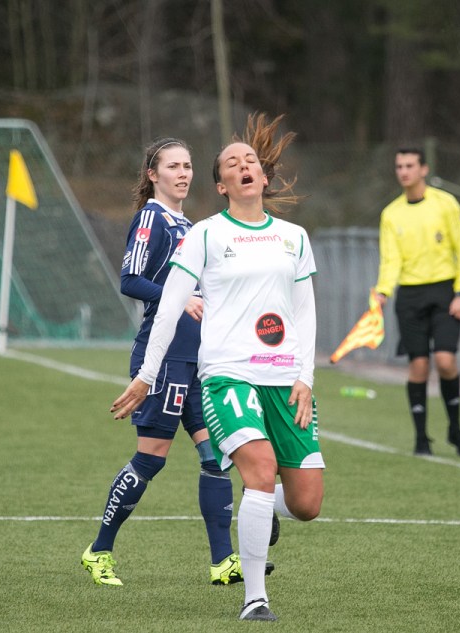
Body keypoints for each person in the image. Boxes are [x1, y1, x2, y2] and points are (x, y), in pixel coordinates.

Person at [111, 113, 324, 622]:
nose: (243, 165)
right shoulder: (204, 235)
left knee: (307, 504)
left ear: (263, 178)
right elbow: (169, 308)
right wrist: (146, 375)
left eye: (250, 160)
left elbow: (306, 312)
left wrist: (306, 377)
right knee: (260, 469)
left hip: (284, 378)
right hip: (228, 374)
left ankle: (259, 506)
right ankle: (255, 599)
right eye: (231, 163)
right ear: (222, 185)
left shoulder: (294, 237)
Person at [81, 137, 273, 588]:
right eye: (173, 166)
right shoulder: (152, 217)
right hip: (165, 357)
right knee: (151, 459)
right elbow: (130, 280)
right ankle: (99, 551)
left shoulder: (191, 224)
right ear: (153, 175)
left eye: (187, 166)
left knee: (215, 457)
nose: (183, 173)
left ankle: (223, 561)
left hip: (199, 360)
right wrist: (180, 297)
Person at [373, 147, 460, 457]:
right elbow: (390, 259)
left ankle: (455, 428)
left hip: (444, 292)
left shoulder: (445, 204)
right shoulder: (391, 213)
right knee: (418, 365)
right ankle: (421, 438)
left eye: (409, 165)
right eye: (399, 166)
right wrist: (382, 291)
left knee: (445, 361)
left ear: (423, 169)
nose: (404, 171)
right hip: (409, 296)